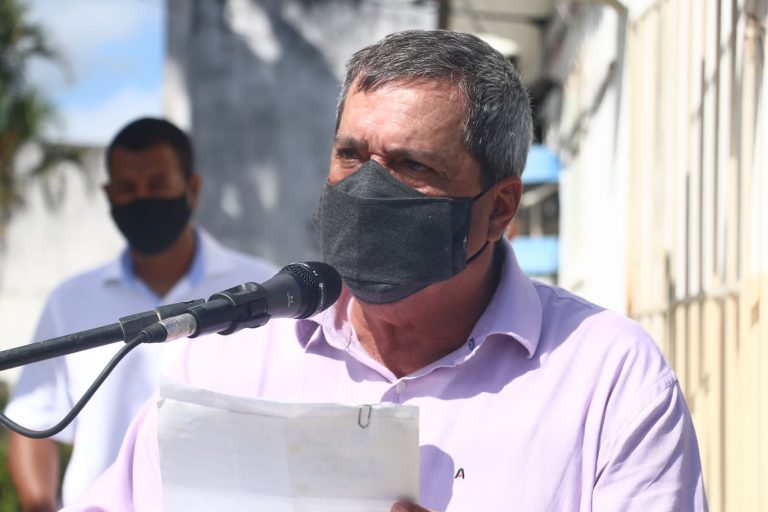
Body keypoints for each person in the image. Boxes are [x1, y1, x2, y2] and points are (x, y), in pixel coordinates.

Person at [65, 31, 707, 511]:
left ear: (499, 208)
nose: (368, 189)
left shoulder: (608, 378)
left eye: (412, 165)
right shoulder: (227, 361)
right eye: (350, 155)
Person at [4, 117, 277, 510]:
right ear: (109, 195)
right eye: (127, 189)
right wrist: (40, 505)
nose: (143, 199)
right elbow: (33, 422)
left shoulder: (259, 291)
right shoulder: (71, 301)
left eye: (157, 184)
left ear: (192, 189)